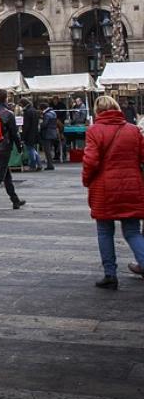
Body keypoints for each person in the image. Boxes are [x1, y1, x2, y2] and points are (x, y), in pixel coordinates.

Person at [82, 95, 144, 289]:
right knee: (132, 231)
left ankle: (110, 275)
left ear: (97, 111)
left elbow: (90, 161)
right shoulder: (133, 130)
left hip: (104, 188)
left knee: (104, 231)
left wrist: (86, 180)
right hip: (132, 186)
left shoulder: (94, 130)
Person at [20, 97, 41, 172]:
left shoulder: (27, 112)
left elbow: (26, 125)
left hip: (29, 134)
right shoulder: (34, 110)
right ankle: (39, 164)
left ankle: (33, 165)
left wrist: (23, 136)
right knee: (33, 149)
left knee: (30, 149)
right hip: (34, 132)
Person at [38, 100, 58, 170]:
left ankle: (50, 165)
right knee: (50, 149)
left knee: (47, 150)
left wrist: (40, 124)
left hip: (47, 134)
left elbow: (45, 124)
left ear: (42, 108)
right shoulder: (53, 113)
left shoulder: (46, 114)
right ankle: (50, 164)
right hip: (53, 133)